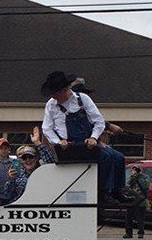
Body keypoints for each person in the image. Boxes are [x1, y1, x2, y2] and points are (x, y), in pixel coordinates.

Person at [40, 71, 133, 205]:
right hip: (69, 146)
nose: (53, 97)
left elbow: (99, 121)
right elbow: (47, 128)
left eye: (55, 94)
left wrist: (94, 138)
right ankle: (103, 192)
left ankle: (117, 190)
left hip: (86, 142)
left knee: (118, 157)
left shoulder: (82, 99)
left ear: (64, 90)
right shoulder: (51, 105)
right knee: (106, 156)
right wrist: (58, 142)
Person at [5, 127, 55, 203]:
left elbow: (51, 162)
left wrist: (38, 143)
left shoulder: (43, 172)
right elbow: (8, 195)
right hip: (20, 208)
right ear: (21, 161)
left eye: (30, 157)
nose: (28, 160)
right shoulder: (17, 175)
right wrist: (11, 179)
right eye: (24, 158)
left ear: (36, 158)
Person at [124, 165, 150, 239]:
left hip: (141, 200)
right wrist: (132, 178)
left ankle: (141, 233)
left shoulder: (145, 177)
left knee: (140, 218)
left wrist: (138, 178)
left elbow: (145, 186)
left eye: (137, 170)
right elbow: (127, 186)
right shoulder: (131, 177)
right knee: (129, 217)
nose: (135, 171)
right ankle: (129, 233)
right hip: (131, 200)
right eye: (133, 170)